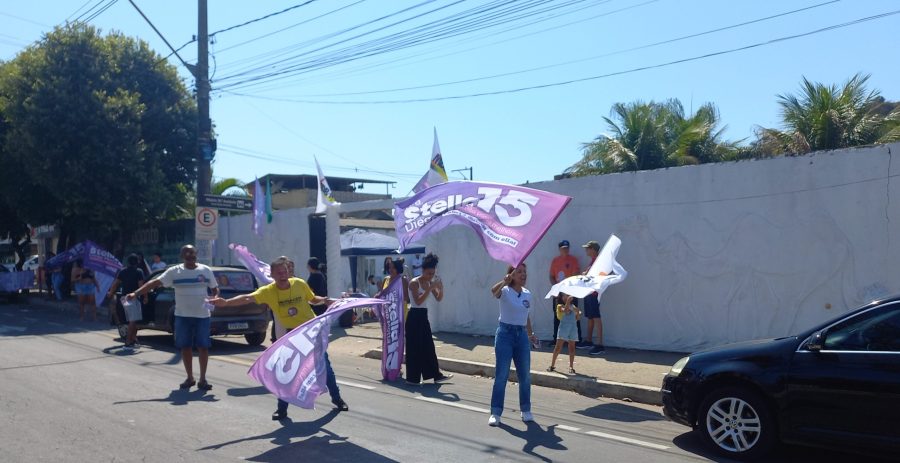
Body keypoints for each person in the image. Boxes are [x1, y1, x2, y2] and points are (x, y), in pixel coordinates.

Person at [208, 256, 349, 420]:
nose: (283, 275)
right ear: (273, 275)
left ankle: (337, 399)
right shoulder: (268, 291)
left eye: (285, 272)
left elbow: (312, 299)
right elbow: (247, 298)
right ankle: (281, 409)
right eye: (279, 273)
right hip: (290, 336)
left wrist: (324, 300)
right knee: (285, 374)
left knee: (325, 369)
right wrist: (225, 302)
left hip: (310, 332)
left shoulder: (299, 284)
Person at [127, 245, 219, 390]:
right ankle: (190, 378)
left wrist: (215, 296)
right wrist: (136, 293)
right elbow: (154, 282)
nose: (190, 256)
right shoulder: (174, 272)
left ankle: (203, 380)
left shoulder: (205, 270)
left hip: (202, 316)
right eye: (187, 254)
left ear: (196, 255)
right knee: (186, 346)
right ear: (182, 256)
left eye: (193, 254)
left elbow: (215, 288)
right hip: (182, 316)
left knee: (203, 347)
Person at [488, 263, 538, 426]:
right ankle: (496, 413)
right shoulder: (505, 291)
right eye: (519, 272)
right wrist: (504, 281)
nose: (523, 274)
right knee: (502, 375)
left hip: (521, 335)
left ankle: (526, 410)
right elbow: (492, 292)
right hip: (505, 335)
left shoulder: (527, 294)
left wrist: (530, 335)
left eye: (525, 271)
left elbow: (526, 315)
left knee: (525, 376)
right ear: (511, 275)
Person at [406, 253, 453, 385]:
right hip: (414, 316)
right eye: (428, 273)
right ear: (423, 270)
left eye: (432, 274)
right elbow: (418, 301)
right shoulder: (414, 283)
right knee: (414, 347)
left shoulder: (429, 282)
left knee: (428, 346)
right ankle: (412, 378)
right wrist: (430, 288)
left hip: (423, 316)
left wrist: (440, 288)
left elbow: (438, 298)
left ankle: (435, 374)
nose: (430, 276)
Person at [107, 254, 146, 349]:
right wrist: (145, 296)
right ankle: (128, 342)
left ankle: (133, 340)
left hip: (124, 298)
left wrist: (111, 293)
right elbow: (141, 286)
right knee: (133, 321)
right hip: (133, 298)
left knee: (133, 320)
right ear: (137, 262)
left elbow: (115, 284)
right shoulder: (139, 272)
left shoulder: (123, 271)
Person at [549, 240, 582, 345]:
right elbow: (551, 276)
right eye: (563, 248)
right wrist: (557, 288)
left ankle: (575, 339)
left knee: (573, 315)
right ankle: (557, 339)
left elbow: (575, 275)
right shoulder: (555, 260)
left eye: (567, 247)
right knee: (558, 315)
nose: (565, 250)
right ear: (559, 249)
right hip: (559, 292)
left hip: (570, 292)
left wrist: (567, 292)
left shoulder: (573, 260)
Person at [581, 240, 606, 355]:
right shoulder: (593, 261)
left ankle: (600, 344)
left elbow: (599, 276)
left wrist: (586, 274)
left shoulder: (598, 262)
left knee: (596, 317)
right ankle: (589, 340)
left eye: (588, 248)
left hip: (594, 293)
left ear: (593, 250)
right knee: (590, 317)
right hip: (589, 292)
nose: (586, 250)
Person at [547, 293, 581, 374]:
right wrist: (568, 302)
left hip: (573, 328)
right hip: (563, 328)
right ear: (562, 297)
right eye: (565, 295)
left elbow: (577, 318)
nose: (567, 296)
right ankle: (552, 365)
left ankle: (571, 367)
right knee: (558, 347)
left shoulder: (573, 306)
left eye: (568, 295)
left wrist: (578, 313)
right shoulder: (559, 306)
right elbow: (565, 311)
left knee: (572, 348)